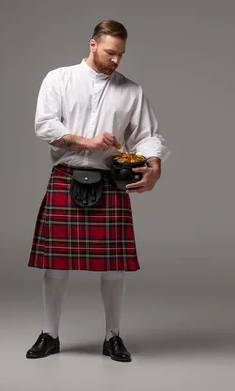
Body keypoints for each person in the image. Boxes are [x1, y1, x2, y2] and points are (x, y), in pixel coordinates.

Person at [25, 19, 170, 363]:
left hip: (109, 180)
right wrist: (87, 140)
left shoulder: (131, 91)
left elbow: (149, 135)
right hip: (66, 174)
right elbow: (45, 124)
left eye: (121, 54)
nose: (116, 60)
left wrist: (155, 166)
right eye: (110, 52)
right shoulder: (58, 78)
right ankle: (50, 335)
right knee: (56, 265)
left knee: (114, 267)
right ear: (93, 44)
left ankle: (113, 337)